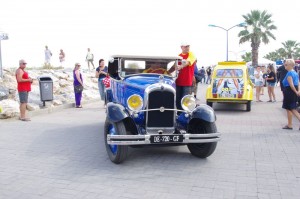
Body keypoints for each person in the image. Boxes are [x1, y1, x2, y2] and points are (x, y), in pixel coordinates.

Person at [168, 42, 196, 110]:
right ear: (181, 47)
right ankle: (178, 114)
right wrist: (167, 72)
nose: (187, 48)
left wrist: (181, 66)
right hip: (178, 81)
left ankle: (185, 115)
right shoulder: (179, 56)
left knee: (185, 100)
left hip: (187, 82)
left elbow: (188, 62)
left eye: (188, 46)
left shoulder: (191, 55)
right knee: (177, 99)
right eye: (185, 46)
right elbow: (174, 66)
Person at [281, 59, 300, 130]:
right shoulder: (295, 72)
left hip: (289, 91)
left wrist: (296, 91)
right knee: (289, 108)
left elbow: (291, 84)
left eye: (286, 64)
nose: (284, 66)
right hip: (293, 91)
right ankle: (289, 124)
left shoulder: (289, 73)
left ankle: (290, 124)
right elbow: (298, 83)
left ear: (290, 65)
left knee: (292, 108)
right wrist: (298, 91)